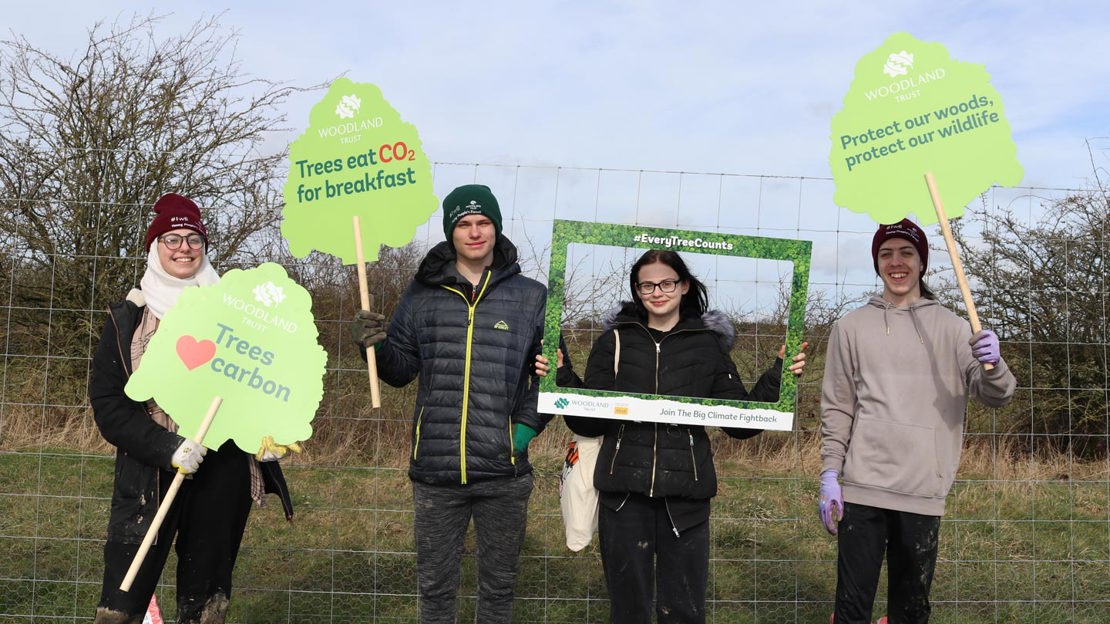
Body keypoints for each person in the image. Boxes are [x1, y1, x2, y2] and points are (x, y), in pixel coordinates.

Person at [536, 249, 806, 624]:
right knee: (628, 610)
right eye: (647, 284)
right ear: (636, 289)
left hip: (686, 498)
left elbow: (740, 423)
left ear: (684, 286)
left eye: (666, 282)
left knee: (682, 610)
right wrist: (561, 378)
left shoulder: (707, 345)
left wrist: (780, 373)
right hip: (622, 496)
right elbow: (589, 425)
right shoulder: (614, 342)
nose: (657, 292)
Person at [89, 193, 295, 624]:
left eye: (193, 239)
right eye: (172, 238)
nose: (184, 247)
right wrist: (166, 446)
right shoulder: (126, 320)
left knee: (205, 603)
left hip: (223, 466)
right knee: (121, 601)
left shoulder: (238, 314)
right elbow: (109, 406)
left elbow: (263, 381)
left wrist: (268, 430)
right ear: (154, 248)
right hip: (151, 470)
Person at [349, 184, 548, 624]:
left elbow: (553, 376)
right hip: (436, 473)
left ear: (496, 229)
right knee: (435, 590)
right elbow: (400, 371)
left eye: (483, 223)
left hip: (504, 472)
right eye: (464, 224)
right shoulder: (422, 293)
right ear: (450, 232)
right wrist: (375, 348)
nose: (475, 232)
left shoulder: (532, 296)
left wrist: (523, 432)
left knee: (498, 590)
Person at [818, 218, 1016, 624]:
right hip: (862, 489)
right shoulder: (849, 327)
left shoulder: (956, 328)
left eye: (906, 252)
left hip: (923, 489)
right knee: (851, 610)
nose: (896, 262)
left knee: (910, 611)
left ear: (922, 262)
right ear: (876, 263)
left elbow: (997, 394)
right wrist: (830, 474)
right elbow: (838, 407)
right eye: (886, 254)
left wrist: (993, 363)